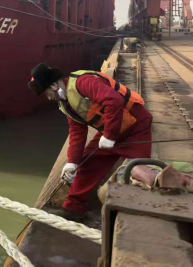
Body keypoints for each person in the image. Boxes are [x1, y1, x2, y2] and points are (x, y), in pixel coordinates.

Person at [27, 63, 153, 219]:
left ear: (53, 86)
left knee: (140, 173)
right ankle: (73, 209)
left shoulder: (83, 82)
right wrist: (72, 162)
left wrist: (109, 136)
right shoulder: (66, 103)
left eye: (47, 93)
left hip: (136, 126)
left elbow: (113, 100)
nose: (49, 98)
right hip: (112, 129)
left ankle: (145, 214)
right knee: (88, 165)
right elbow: (77, 132)